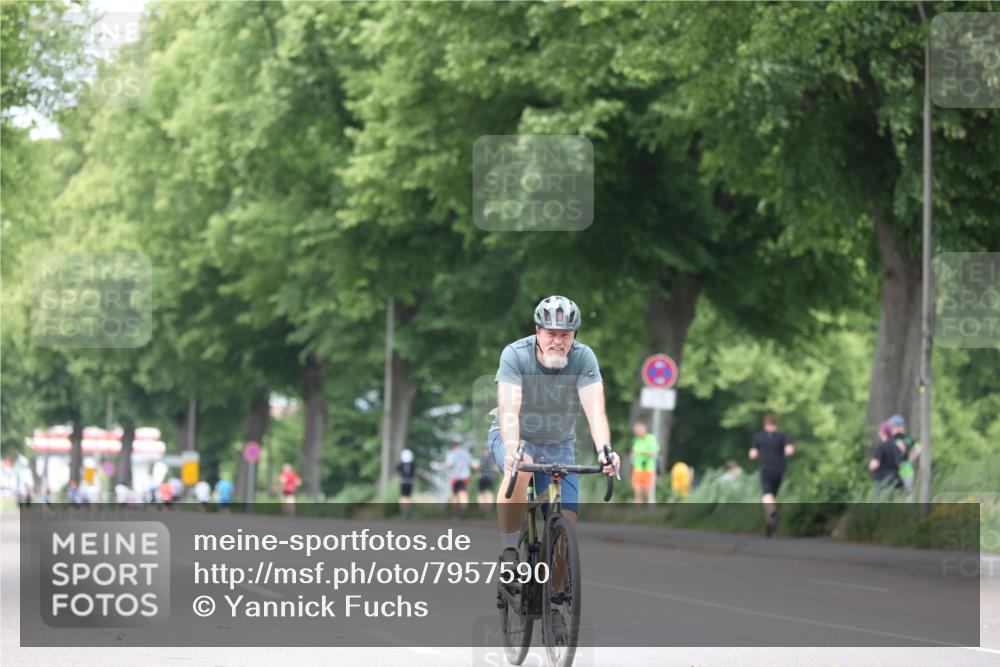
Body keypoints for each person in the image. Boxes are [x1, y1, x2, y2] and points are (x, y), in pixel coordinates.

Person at [489, 295, 619, 569]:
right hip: (516, 437)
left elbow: (595, 410)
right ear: (537, 332)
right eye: (551, 334)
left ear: (574, 335)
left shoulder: (584, 358)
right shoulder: (515, 354)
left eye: (565, 334)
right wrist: (512, 449)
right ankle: (510, 550)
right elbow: (509, 410)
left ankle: (555, 603)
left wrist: (605, 451)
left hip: (559, 443)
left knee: (565, 533)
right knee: (521, 469)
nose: (558, 341)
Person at [749, 413, 796, 537]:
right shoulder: (782, 436)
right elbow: (789, 451)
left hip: (766, 469)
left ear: (765, 424)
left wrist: (760, 454)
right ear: (775, 423)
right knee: (773, 496)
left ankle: (773, 515)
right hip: (779, 469)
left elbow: (752, 454)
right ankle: (769, 526)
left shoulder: (759, 437)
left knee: (766, 495)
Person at [888, 415, 921, 502]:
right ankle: (908, 513)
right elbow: (918, 448)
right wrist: (910, 459)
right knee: (908, 494)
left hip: (893, 469)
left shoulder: (891, 439)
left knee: (893, 495)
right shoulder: (907, 439)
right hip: (907, 468)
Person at [630, 421, 660, 504]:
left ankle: (650, 511)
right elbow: (633, 452)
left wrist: (641, 453)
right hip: (637, 469)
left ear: (644, 429)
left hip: (648, 469)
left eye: (639, 431)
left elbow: (654, 453)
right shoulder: (635, 440)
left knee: (648, 493)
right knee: (637, 492)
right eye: (636, 431)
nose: (637, 433)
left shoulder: (651, 438)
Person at [870, 421, 903, 494]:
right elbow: (901, 465)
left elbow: (875, 464)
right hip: (895, 481)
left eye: (880, 430)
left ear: (882, 432)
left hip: (882, 482)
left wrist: (871, 465)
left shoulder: (881, 447)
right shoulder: (896, 446)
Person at [444, 442, 474, 510]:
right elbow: (471, 464)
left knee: (454, 495)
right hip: (464, 477)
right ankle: (464, 511)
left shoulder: (451, 453)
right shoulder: (466, 453)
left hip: (455, 477)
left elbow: (449, 465)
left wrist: (445, 465)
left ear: (452, 446)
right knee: (463, 494)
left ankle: (455, 513)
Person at [476, 445, 497, 514]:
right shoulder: (493, 458)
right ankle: (489, 510)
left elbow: (477, 467)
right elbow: (496, 469)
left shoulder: (480, 457)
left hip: (482, 477)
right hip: (490, 477)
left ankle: (481, 510)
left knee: (481, 493)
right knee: (489, 493)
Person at [397, 449, 417, 519]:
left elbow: (396, 471)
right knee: (408, 497)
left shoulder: (401, 464)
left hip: (403, 482)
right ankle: (407, 511)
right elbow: (416, 473)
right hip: (410, 482)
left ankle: (403, 512)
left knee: (403, 497)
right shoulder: (413, 464)